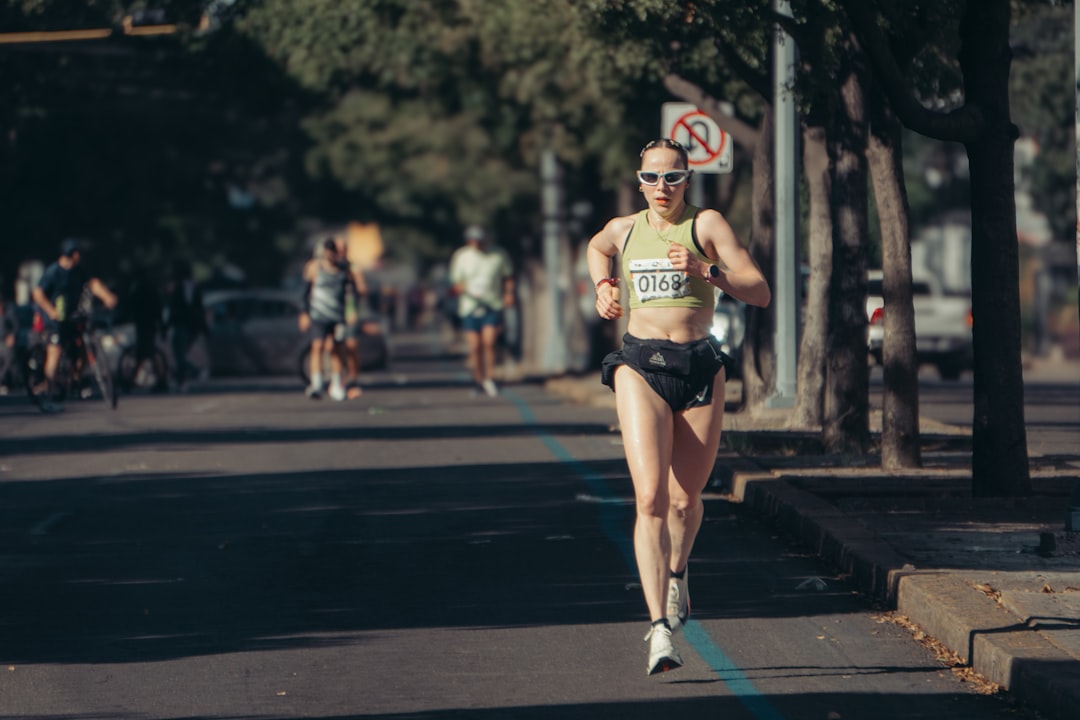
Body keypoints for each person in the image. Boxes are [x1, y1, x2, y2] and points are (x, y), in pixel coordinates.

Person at [586, 138, 770, 676]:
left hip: (698, 366)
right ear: (639, 180)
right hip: (639, 364)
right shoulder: (624, 229)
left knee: (685, 502)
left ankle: (677, 574)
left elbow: (759, 290)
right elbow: (596, 246)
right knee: (649, 499)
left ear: (687, 179)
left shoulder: (706, 225)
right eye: (651, 177)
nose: (661, 187)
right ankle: (659, 629)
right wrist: (603, 285)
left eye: (672, 177)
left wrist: (705, 270)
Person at [31, 239, 119, 407]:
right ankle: (49, 396)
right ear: (71, 254)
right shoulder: (54, 272)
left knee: (84, 346)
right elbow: (38, 293)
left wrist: (106, 296)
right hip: (55, 320)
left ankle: (77, 376)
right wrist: (50, 311)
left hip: (72, 316)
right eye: (77, 252)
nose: (79, 256)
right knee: (55, 354)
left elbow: (93, 284)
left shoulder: (78, 271)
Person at [448, 224, 515, 397]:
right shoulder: (462, 256)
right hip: (470, 305)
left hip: (492, 304)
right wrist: (460, 289)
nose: (476, 244)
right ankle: (478, 378)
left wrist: (508, 294)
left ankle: (490, 377)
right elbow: (455, 281)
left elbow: (508, 276)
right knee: (475, 346)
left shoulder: (498, 255)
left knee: (489, 342)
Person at [299, 237, 362, 400]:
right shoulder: (314, 267)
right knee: (317, 346)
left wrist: (352, 311)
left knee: (336, 349)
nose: (329, 256)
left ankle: (336, 384)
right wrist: (304, 313)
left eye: (331, 253)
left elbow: (352, 292)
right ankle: (317, 383)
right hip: (318, 314)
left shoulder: (344, 269)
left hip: (337, 315)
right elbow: (305, 292)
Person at [164, 260, 207, 391]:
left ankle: (192, 373)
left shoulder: (179, 287)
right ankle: (182, 378)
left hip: (182, 325)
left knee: (179, 354)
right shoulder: (194, 286)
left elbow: (175, 309)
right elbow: (199, 308)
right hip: (191, 326)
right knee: (181, 354)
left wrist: (167, 325)